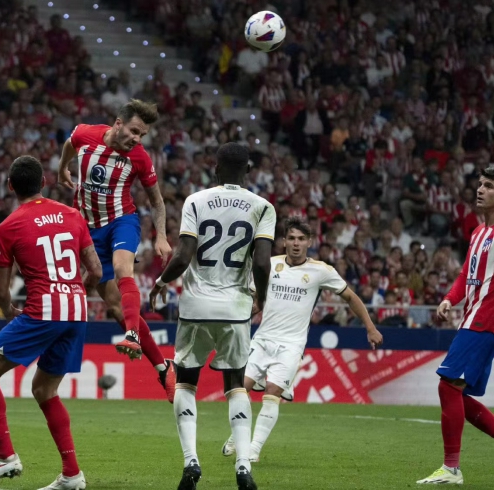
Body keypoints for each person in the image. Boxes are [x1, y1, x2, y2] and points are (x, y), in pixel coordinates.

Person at [0, 156, 102, 490]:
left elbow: (0, 291)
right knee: (44, 389)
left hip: (43, 310)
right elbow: (97, 271)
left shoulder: (9, 226)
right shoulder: (73, 215)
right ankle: (71, 474)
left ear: (11, 186)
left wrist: (9, 309)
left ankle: (5, 456)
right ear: (44, 182)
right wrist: (73, 295)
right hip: (76, 311)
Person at [149, 143, 275, 490]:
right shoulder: (263, 207)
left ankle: (191, 461)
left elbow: (183, 254)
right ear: (248, 171)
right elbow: (263, 263)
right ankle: (243, 466)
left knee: (186, 383)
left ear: (216, 168)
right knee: (236, 387)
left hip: (195, 309)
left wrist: (161, 282)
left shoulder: (196, 201)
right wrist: (260, 299)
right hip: (235, 310)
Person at [220, 217, 383, 461]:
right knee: (240, 389)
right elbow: (255, 301)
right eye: (292, 238)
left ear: (309, 242)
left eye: (301, 239)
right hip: (262, 340)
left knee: (272, 392)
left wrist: (370, 327)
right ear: (284, 241)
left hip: (291, 345)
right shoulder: (268, 264)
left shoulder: (321, 271)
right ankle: (236, 436)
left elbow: (351, 297)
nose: (296, 244)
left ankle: (253, 450)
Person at [58, 99, 173, 397]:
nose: (137, 139)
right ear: (118, 124)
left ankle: (132, 335)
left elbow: (157, 202)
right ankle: (163, 368)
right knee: (115, 307)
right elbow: (69, 144)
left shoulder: (140, 157)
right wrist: (62, 169)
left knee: (124, 270)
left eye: (142, 135)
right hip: (88, 229)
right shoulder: (86, 134)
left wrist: (161, 236)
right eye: (134, 131)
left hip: (122, 220)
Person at [416, 165, 494, 485]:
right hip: (471, 318)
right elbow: (466, 276)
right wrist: (450, 298)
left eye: (489, 186)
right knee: (455, 393)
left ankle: (451, 469)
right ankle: (451, 468)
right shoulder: (478, 232)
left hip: (484, 321)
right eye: (480, 184)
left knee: (448, 385)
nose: (480, 190)